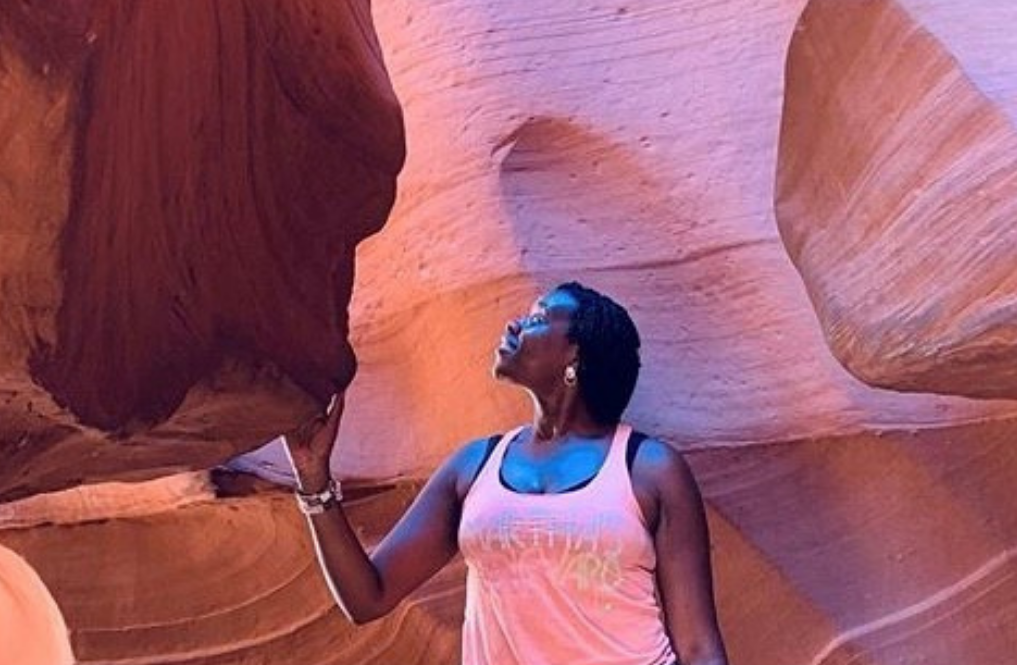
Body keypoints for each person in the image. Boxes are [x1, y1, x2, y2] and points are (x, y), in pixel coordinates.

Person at [282, 282, 730, 665]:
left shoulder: (648, 468)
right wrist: (312, 477)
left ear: (576, 352)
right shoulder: (475, 465)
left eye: (538, 317)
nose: (515, 324)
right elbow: (368, 597)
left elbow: (697, 648)